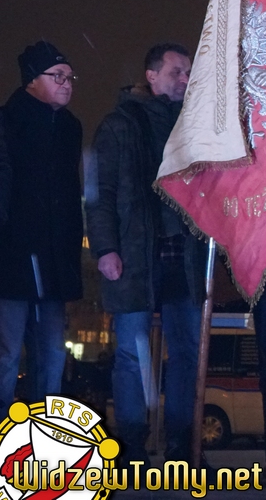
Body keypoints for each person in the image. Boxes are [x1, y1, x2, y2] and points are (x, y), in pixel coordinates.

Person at [86, 43, 206, 465]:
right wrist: (106, 248)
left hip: (182, 255)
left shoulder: (192, 125)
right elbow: (100, 194)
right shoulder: (119, 125)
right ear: (151, 75)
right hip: (136, 255)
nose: (185, 79)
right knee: (132, 352)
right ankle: (133, 446)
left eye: (188, 72)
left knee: (186, 352)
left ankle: (180, 446)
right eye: (176, 71)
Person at [0, 43, 81, 422]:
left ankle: (45, 432)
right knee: (7, 351)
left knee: (52, 352)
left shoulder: (69, 127)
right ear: (32, 80)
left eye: (69, 76)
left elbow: (70, 195)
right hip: (12, 255)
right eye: (57, 76)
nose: (67, 83)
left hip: (54, 260)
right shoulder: (6, 122)